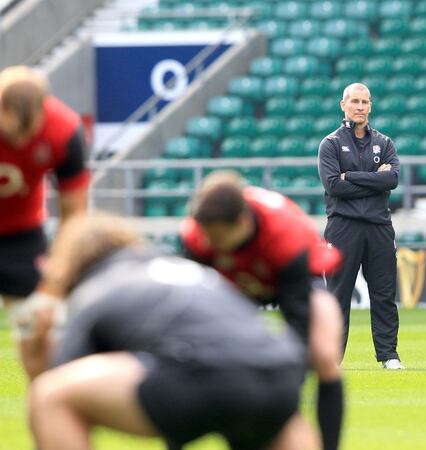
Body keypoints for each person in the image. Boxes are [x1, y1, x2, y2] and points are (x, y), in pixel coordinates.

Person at [26, 214, 318, 450]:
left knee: (50, 395)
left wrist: (37, 362)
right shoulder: (178, 268)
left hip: (203, 373)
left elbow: (65, 370)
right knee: (277, 421)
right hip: (281, 369)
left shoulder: (95, 288)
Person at [181, 171, 345, 450]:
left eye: (218, 237)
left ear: (243, 223)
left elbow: (298, 329)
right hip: (233, 281)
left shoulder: (286, 235)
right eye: (207, 236)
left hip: (290, 278)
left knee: (323, 354)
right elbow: (193, 312)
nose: (211, 244)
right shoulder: (198, 236)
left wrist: (283, 399)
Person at [0, 65, 90, 379]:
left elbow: (74, 214)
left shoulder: (64, 131)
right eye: (12, 133)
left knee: (39, 329)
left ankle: (47, 410)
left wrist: (56, 280)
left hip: (22, 235)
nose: (21, 142)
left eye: (29, 132)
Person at [317, 83, 403, 370]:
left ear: (370, 106)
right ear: (343, 105)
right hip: (344, 227)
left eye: (365, 102)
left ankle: (389, 356)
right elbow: (333, 186)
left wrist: (351, 176)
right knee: (337, 295)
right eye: (354, 101)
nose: (360, 106)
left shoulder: (385, 143)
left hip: (379, 226)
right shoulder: (330, 144)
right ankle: (333, 358)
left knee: (384, 294)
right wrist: (372, 180)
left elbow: (392, 181)